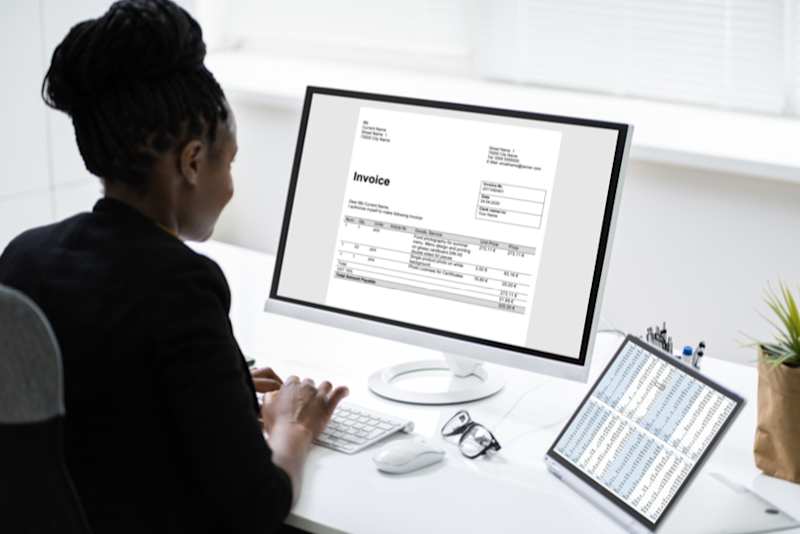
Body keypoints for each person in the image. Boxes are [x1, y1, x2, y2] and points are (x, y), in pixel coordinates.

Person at [0, 1, 347, 532]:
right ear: (192, 162)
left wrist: (216, 381)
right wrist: (293, 425)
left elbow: (99, 391)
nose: (230, 186)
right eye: (229, 162)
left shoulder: (23, 256)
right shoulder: (180, 285)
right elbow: (256, 505)